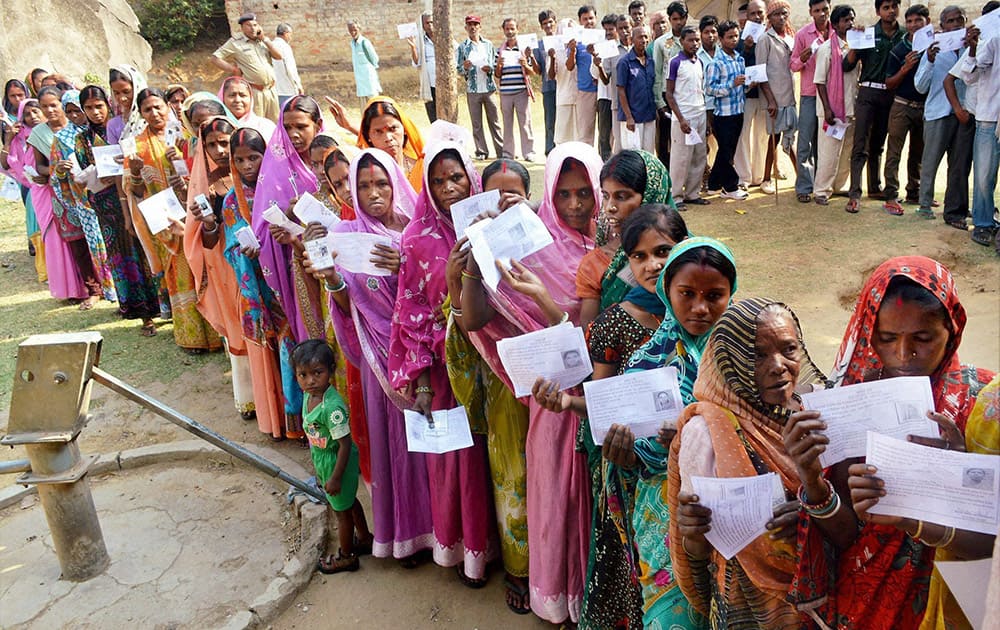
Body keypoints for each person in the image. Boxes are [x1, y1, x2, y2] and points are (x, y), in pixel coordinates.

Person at [787, 256, 995, 629]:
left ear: (953, 329)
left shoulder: (982, 405)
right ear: (869, 333)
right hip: (868, 606)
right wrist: (813, 480)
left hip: (956, 602)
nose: (903, 355)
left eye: (923, 338)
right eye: (887, 338)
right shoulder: (849, 405)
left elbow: (991, 537)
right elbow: (847, 533)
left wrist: (958, 472)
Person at [460, 141, 605, 624]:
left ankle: (593, 595)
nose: (575, 205)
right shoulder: (533, 249)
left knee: (595, 502)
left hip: (600, 397)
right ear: (549, 196)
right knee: (553, 498)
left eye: (585, 192)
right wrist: (475, 266)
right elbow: (481, 318)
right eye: (563, 195)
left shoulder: (616, 250)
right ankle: (556, 596)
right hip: (552, 396)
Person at [306, 147, 435, 565]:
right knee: (394, 447)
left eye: (381, 183)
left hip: (424, 357)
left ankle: (443, 531)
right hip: (382, 364)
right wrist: (331, 281)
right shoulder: (345, 237)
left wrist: (405, 267)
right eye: (363, 186)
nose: (374, 193)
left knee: (433, 447)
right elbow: (351, 310)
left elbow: (437, 293)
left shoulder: (418, 230)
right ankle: (407, 537)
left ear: (396, 182)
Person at [668, 297, 828, 628]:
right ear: (728, 362)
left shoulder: (811, 411)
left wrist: (809, 513)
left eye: (789, 349)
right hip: (748, 600)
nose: (778, 365)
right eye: (756, 355)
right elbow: (698, 547)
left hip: (818, 587)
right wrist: (692, 530)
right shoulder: (708, 430)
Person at [388, 136, 497, 588]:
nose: (449, 186)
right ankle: (468, 554)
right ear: (427, 187)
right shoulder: (415, 239)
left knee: (500, 459)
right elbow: (409, 309)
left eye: (456, 177)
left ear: (470, 178)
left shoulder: (488, 225)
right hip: (445, 365)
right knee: (461, 463)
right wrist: (424, 378)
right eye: (438, 180)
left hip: (495, 361)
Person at [443, 157, 531, 614]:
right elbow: (468, 321)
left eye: (511, 195)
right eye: (492, 196)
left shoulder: (545, 241)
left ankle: (558, 570)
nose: (501, 205)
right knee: (513, 477)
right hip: (504, 385)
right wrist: (464, 272)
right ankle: (519, 567)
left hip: (554, 380)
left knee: (559, 480)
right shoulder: (470, 248)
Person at [126, 88, 222, 354]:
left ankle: (217, 333)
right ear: (141, 113)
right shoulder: (137, 146)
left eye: (158, 107)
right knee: (179, 275)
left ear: (167, 107)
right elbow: (133, 190)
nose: (155, 113)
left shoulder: (185, 137)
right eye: (148, 109)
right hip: (164, 218)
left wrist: (181, 164)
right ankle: (191, 336)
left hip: (195, 212)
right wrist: (134, 173)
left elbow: (205, 171)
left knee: (204, 271)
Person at [220, 126, 299, 440]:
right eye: (239, 160)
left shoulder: (280, 187)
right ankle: (282, 420)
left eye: (254, 157)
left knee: (293, 341)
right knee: (277, 348)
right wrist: (245, 252)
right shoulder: (231, 201)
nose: (247, 166)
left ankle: (301, 417)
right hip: (260, 283)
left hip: (289, 276)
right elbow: (230, 246)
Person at [183, 115, 256, 418]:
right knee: (241, 330)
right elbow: (209, 242)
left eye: (224, 142)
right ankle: (250, 399)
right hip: (227, 269)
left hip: (255, 263)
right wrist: (210, 224)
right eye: (211, 144)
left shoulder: (252, 173)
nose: (220, 150)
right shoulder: (207, 187)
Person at [74, 85, 160, 335]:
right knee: (121, 254)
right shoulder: (83, 140)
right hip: (105, 203)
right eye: (89, 108)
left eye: (99, 106)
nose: (95, 112)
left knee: (145, 249)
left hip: (131, 196)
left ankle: (157, 304)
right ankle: (138, 307)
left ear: (107, 105)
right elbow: (86, 170)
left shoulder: (121, 129)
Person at [292, 339, 373, 574]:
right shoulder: (309, 396)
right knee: (348, 502)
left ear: (330, 370)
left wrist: (335, 477)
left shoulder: (332, 408)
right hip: (326, 460)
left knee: (341, 512)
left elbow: (345, 445)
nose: (310, 381)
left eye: (318, 373)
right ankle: (365, 538)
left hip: (338, 462)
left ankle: (347, 556)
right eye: (303, 374)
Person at [577, 149, 674, 329]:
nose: (610, 207)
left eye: (622, 197)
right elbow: (590, 333)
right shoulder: (595, 263)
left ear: (650, 194)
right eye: (606, 196)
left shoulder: (687, 251)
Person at [27, 86, 100, 305]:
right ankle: (92, 288)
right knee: (76, 241)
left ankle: (108, 283)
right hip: (62, 195)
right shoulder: (38, 134)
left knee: (98, 239)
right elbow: (39, 165)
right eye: (44, 107)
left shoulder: (82, 129)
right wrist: (55, 168)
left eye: (54, 105)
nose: (49, 110)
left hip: (90, 190)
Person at [913, 6, 974, 227]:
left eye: (960, 19)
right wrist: (928, 60)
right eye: (951, 21)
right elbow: (920, 86)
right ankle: (925, 204)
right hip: (938, 112)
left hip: (964, 114)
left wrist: (973, 49)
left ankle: (956, 208)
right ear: (942, 26)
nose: (956, 24)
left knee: (959, 164)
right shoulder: (935, 50)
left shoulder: (972, 48)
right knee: (930, 161)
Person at [843, 0, 903, 213]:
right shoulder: (867, 33)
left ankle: (875, 187)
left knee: (879, 142)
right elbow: (847, 65)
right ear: (878, 11)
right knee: (861, 143)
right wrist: (856, 43)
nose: (891, 11)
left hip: (891, 95)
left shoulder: (904, 35)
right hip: (868, 92)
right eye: (886, 7)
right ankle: (854, 193)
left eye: (894, 6)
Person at [882, 4, 930, 215]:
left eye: (918, 20)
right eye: (909, 21)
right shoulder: (899, 50)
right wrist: (905, 69)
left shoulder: (934, 47)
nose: (913, 25)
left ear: (927, 22)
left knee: (918, 152)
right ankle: (891, 196)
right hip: (902, 106)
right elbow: (889, 83)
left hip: (925, 107)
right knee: (894, 152)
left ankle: (914, 192)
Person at [814, 5, 859, 206]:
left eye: (851, 19)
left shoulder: (855, 47)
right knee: (829, 153)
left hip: (851, 107)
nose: (849, 24)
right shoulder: (826, 49)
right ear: (835, 24)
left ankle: (839, 186)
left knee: (847, 151)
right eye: (845, 20)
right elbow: (819, 81)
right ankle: (821, 191)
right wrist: (828, 109)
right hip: (831, 110)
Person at [790, 0, 834, 203]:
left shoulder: (837, 32)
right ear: (811, 12)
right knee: (805, 140)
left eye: (825, 9)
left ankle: (821, 184)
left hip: (832, 93)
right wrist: (803, 58)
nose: (822, 14)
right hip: (810, 93)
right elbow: (793, 65)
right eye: (817, 10)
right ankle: (803, 187)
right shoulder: (802, 35)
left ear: (829, 9)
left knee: (824, 142)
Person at [1, 96, 47, 283]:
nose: (33, 116)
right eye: (27, 114)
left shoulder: (52, 132)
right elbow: (6, 163)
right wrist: (8, 138)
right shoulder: (19, 138)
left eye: (36, 111)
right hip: (32, 189)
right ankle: (46, 268)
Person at [665, 26, 711, 206]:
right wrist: (681, 119)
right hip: (683, 117)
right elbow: (669, 94)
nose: (694, 44)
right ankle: (676, 197)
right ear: (682, 41)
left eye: (697, 40)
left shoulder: (699, 62)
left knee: (699, 156)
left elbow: (700, 91)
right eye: (690, 40)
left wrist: (706, 119)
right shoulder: (676, 62)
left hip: (699, 113)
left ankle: (693, 193)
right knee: (680, 158)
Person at [756, 0, 797, 195]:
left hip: (789, 95)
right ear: (769, 18)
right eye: (776, 14)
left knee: (789, 137)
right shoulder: (765, 39)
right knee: (775, 138)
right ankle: (766, 178)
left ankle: (800, 177)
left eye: (784, 13)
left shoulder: (790, 36)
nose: (781, 17)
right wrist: (771, 100)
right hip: (775, 97)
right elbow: (760, 72)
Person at [706, 20, 749, 200]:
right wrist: (732, 84)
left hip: (738, 110)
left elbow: (741, 87)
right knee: (725, 150)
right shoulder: (716, 63)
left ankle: (714, 184)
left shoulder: (739, 58)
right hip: (723, 114)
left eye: (736, 36)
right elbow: (710, 88)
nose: (734, 40)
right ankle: (730, 187)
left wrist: (748, 85)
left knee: (728, 150)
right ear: (721, 39)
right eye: (729, 37)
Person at [968, 2, 999, 247]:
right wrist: (973, 48)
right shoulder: (993, 37)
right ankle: (983, 222)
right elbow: (972, 73)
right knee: (984, 175)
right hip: (990, 115)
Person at [211, 13, 282, 122]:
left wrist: (265, 39)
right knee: (256, 122)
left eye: (255, 25)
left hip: (270, 90)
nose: (253, 28)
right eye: (249, 25)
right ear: (242, 27)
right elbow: (215, 58)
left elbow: (279, 56)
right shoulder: (235, 43)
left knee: (274, 122)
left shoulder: (262, 41)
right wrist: (233, 69)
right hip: (254, 90)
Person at [734, 0, 770, 191]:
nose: (757, 16)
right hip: (746, 95)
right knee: (743, 136)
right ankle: (744, 177)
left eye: (760, 13)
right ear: (747, 16)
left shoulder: (770, 36)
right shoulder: (739, 38)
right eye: (753, 13)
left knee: (762, 136)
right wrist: (746, 49)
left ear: (765, 14)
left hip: (766, 94)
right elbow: (735, 62)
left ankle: (760, 176)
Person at [456, 15, 502, 160]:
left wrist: (491, 69)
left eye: (475, 24)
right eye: (470, 25)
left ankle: (501, 150)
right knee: (476, 123)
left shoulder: (488, 44)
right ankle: (481, 151)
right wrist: (465, 67)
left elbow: (495, 64)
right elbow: (458, 69)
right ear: (466, 28)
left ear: (480, 27)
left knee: (495, 121)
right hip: (473, 90)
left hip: (489, 88)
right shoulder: (463, 47)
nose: (473, 27)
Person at [495, 17, 537, 161]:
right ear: (504, 30)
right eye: (507, 29)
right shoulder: (499, 51)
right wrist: (499, 65)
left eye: (513, 28)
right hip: (505, 92)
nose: (510, 31)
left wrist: (525, 64)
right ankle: (508, 153)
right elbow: (497, 75)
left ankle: (528, 152)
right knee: (507, 124)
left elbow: (532, 72)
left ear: (517, 30)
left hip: (521, 92)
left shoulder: (524, 49)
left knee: (525, 122)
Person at [652, 1, 688, 166]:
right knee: (665, 139)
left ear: (686, 19)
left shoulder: (694, 39)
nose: (679, 22)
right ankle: (666, 177)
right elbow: (657, 73)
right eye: (675, 19)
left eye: (681, 18)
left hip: (688, 97)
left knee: (688, 137)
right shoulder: (661, 43)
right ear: (670, 19)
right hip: (668, 97)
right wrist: (660, 103)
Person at [617, 25, 657, 153]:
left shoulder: (651, 61)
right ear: (632, 40)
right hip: (633, 118)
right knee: (633, 156)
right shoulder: (624, 62)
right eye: (640, 37)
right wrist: (629, 117)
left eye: (646, 37)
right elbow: (621, 91)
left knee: (648, 153)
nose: (643, 40)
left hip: (649, 116)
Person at [592, 14, 619, 160]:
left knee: (617, 133)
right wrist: (596, 62)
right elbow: (595, 75)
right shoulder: (600, 47)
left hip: (620, 96)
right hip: (604, 96)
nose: (609, 32)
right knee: (603, 133)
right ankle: (602, 163)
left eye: (611, 29)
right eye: (606, 29)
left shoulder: (622, 47)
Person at [572, 5, 600, 145]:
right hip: (585, 91)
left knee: (607, 132)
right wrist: (572, 51)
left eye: (591, 18)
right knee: (585, 133)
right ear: (580, 20)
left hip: (604, 92)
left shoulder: (604, 38)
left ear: (596, 18)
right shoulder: (576, 42)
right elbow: (570, 66)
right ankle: (586, 164)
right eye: (585, 19)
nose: (588, 21)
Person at [217, 76, 276, 141]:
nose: (237, 100)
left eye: (242, 95)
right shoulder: (215, 127)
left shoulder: (266, 126)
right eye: (232, 95)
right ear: (222, 98)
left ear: (251, 98)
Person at [552, 18, 581, 146]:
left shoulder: (581, 49)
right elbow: (551, 75)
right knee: (563, 136)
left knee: (579, 134)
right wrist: (552, 58)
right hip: (563, 97)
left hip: (581, 97)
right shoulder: (556, 51)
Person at [535, 10, 559, 155]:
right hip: (549, 87)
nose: (548, 25)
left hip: (565, 87)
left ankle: (564, 149)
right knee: (550, 121)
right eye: (545, 23)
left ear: (555, 22)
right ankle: (550, 150)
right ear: (541, 26)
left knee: (565, 120)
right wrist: (530, 57)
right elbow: (538, 70)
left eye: (550, 22)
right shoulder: (539, 45)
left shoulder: (563, 40)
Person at [408, 13, 438, 123]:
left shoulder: (443, 37)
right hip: (429, 83)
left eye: (432, 22)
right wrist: (413, 47)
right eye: (427, 23)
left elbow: (456, 51)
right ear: (423, 25)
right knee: (433, 115)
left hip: (443, 83)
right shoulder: (421, 40)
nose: (430, 25)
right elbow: (417, 62)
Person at [107, 65, 147, 145]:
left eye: (126, 92)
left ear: (137, 88)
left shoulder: (154, 115)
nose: (122, 98)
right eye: (117, 93)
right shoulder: (113, 125)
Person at [347, 21, 381, 108]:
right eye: (351, 31)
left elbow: (375, 59)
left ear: (359, 29)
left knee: (374, 107)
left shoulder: (365, 43)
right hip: (360, 83)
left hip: (369, 82)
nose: (353, 33)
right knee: (364, 110)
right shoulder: (352, 44)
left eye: (355, 30)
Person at [272, 23, 302, 111]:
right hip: (287, 88)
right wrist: (298, 85)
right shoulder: (285, 47)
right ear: (286, 33)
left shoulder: (271, 45)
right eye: (290, 34)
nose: (290, 38)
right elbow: (290, 68)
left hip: (275, 89)